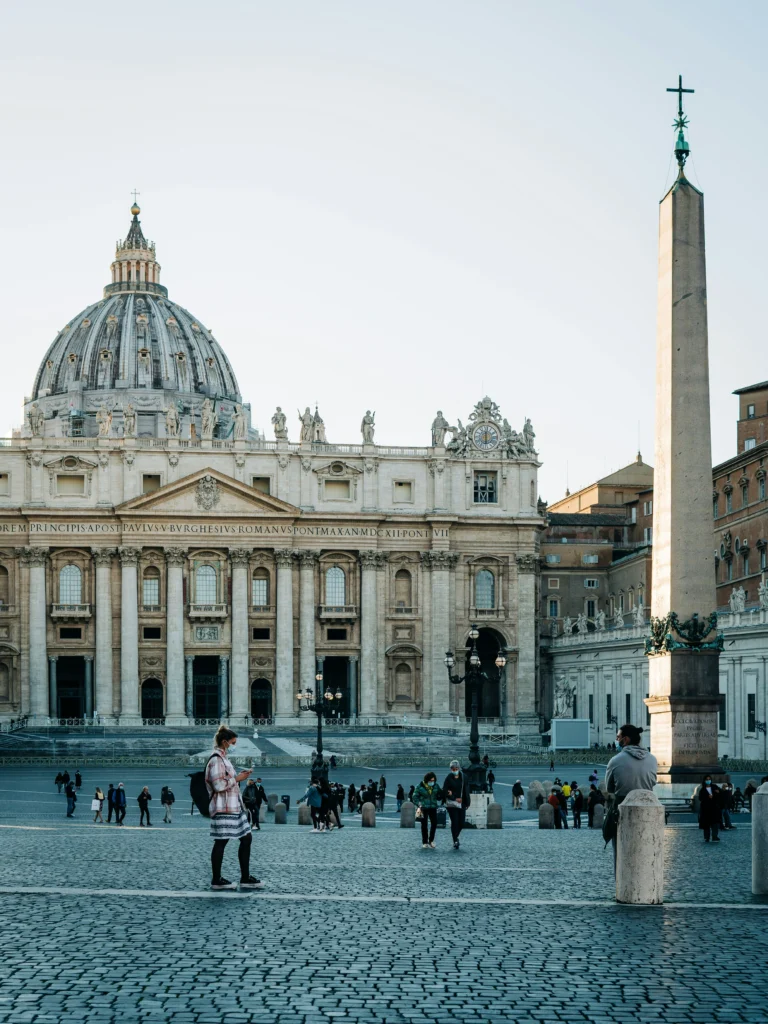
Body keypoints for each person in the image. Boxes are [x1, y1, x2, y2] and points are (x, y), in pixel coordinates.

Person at [205, 726, 262, 890]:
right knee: (221, 842)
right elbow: (217, 785)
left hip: (234, 806)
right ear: (225, 742)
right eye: (233, 743)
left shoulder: (224, 758)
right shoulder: (216, 759)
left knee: (246, 838)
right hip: (223, 807)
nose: (234, 745)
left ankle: (245, 877)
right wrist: (237, 778)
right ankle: (216, 879)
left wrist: (239, 777)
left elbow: (227, 780)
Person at [605, 723, 658, 866]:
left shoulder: (615, 760)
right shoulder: (653, 760)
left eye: (618, 737)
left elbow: (609, 788)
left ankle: (621, 883)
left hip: (623, 809)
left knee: (621, 852)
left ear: (626, 739)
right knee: (646, 850)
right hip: (648, 808)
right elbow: (653, 782)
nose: (617, 740)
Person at [442, 760, 470, 850]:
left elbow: (466, 790)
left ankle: (456, 837)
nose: (455, 770)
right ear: (451, 769)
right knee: (455, 822)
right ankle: (455, 841)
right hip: (452, 804)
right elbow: (444, 790)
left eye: (456, 768)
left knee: (461, 823)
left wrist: (467, 802)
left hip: (462, 803)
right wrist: (453, 797)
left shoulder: (464, 777)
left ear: (459, 768)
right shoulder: (449, 777)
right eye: (453, 769)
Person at [413, 771, 443, 849]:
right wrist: (419, 804)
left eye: (433, 781)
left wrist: (441, 796)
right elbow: (414, 797)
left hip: (433, 807)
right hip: (424, 808)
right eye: (430, 781)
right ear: (427, 780)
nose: (432, 782)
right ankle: (425, 842)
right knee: (424, 825)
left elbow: (440, 793)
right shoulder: (420, 786)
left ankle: (431, 840)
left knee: (434, 823)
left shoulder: (436, 786)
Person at [698, 774, 722, 843]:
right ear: (704, 781)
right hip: (706, 809)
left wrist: (714, 795)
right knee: (706, 824)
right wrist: (708, 797)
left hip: (714, 808)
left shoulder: (715, 787)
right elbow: (700, 798)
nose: (708, 781)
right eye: (707, 779)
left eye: (709, 779)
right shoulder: (702, 789)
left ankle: (715, 836)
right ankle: (706, 837)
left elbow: (720, 794)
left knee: (715, 823)